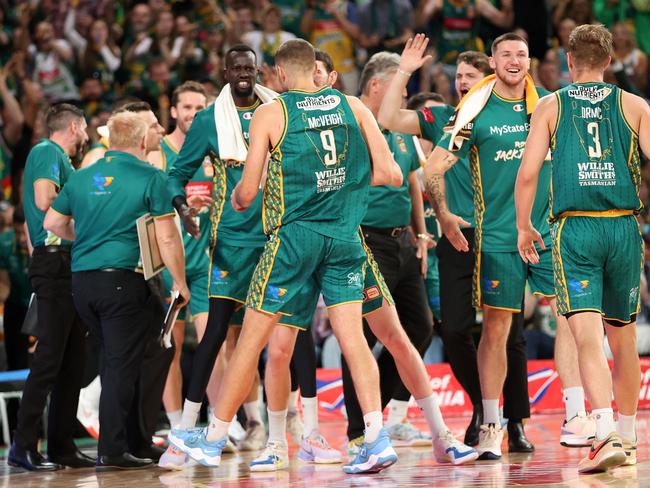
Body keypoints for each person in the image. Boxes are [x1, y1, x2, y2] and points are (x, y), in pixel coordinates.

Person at [169, 38, 403, 475]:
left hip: (293, 242)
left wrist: (240, 199)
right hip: (345, 237)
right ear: (315, 68)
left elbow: (247, 190)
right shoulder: (353, 106)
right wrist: (342, 183)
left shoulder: (271, 112)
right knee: (354, 341)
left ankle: (214, 437)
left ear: (276, 74)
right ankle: (376, 437)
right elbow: (390, 174)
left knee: (252, 338)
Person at [378, 40, 546, 451]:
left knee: (511, 333)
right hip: (457, 233)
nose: (463, 83)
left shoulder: (526, 107)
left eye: (470, 78)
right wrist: (406, 71)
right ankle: (485, 408)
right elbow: (387, 117)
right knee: (454, 330)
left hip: (502, 230)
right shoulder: (446, 117)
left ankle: (515, 421)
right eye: (458, 78)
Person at [515, 23, 648, 473]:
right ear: (609, 62)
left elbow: (529, 173)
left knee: (586, 335)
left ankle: (605, 429)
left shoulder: (551, 105)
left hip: (575, 230)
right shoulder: (634, 105)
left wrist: (522, 227)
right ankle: (628, 437)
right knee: (623, 337)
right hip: (624, 228)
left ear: (569, 62)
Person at [422, 33, 556, 460]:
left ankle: (587, 418)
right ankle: (492, 423)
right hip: (499, 236)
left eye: (521, 54)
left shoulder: (551, 105)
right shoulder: (474, 109)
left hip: (551, 231)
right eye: (506, 54)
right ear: (494, 62)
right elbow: (433, 169)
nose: (514, 61)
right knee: (497, 330)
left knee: (579, 322)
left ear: (529, 61)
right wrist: (443, 216)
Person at [43, 110, 189, 471]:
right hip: (122, 281)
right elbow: (168, 236)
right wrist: (180, 282)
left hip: (84, 283)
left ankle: (136, 439)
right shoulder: (151, 177)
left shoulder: (81, 178)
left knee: (128, 356)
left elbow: (53, 221)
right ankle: (112, 450)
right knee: (123, 365)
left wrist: (89, 240)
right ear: (142, 141)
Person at [163, 45, 276, 467]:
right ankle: (187, 431)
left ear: (258, 70)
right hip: (229, 242)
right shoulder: (210, 120)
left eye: (250, 66)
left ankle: (273, 430)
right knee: (215, 338)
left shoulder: (279, 109)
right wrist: (183, 209)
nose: (244, 73)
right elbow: (176, 173)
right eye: (237, 67)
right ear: (224, 72)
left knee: (278, 340)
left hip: (277, 240)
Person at [340, 51, 435, 449]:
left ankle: (386, 409)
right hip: (366, 238)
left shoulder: (398, 126)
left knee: (420, 328)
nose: (405, 92)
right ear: (377, 85)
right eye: (400, 83)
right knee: (359, 335)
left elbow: (413, 180)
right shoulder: (353, 122)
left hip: (404, 240)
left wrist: (423, 232)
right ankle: (358, 430)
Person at [8, 104, 91, 471]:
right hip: (55, 263)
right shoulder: (46, 152)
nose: (87, 137)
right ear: (74, 127)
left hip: (63, 262)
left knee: (72, 362)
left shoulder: (59, 159)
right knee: (48, 360)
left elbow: (32, 220)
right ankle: (22, 446)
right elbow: (44, 201)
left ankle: (61, 445)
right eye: (85, 129)